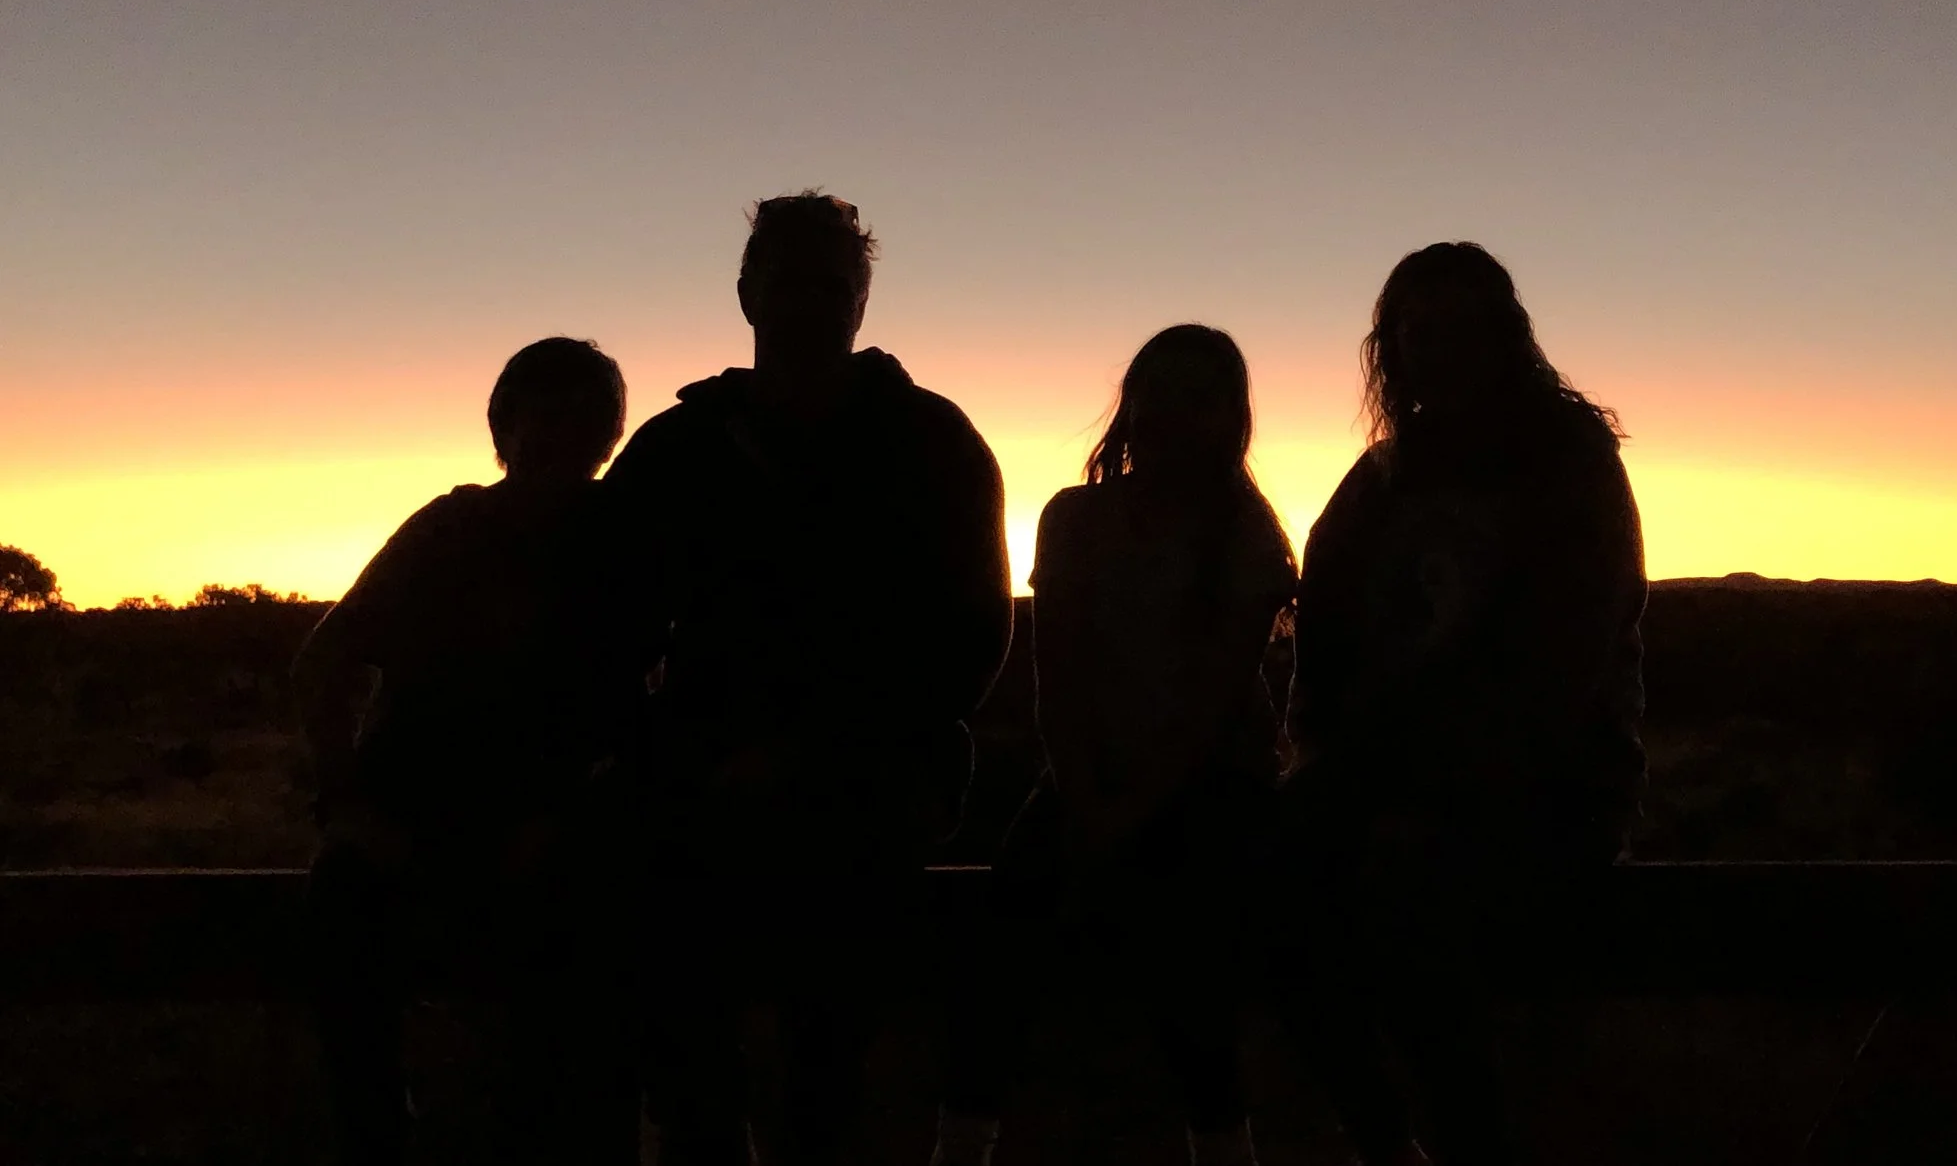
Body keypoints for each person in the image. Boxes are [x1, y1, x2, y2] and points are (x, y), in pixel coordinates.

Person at [606, 191, 1013, 1165]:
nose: (810, 303)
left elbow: (969, 644)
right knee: (650, 958)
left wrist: (808, 753)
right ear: (746, 293)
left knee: (824, 1033)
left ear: (862, 303)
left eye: (833, 285)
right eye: (788, 280)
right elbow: (599, 618)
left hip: (875, 777)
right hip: (701, 774)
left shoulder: (932, 441)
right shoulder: (678, 448)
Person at [1278, 243, 1647, 1166]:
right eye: (1416, 332)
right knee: (1255, 874)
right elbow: (1320, 635)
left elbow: (1565, 655)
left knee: (1406, 894)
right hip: (1383, 776)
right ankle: (1387, 1139)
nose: (1436, 350)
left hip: (1550, 782)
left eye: (1458, 329)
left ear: (1504, 338)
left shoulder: (1569, 461)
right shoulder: (1382, 476)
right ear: (1391, 348)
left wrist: (1412, 779)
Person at [936, 325, 1299, 1166]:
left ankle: (1221, 1140)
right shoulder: (1074, 518)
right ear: (1130, 406)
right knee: (999, 932)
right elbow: (1054, 676)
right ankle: (961, 1140)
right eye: (1158, 392)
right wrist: (1087, 799)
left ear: (1230, 418)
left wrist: (1125, 814)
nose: (1173, 414)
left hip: (1214, 782)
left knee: (1190, 939)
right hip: (1086, 774)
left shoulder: (1244, 538)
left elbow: (1213, 708)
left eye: (1197, 396)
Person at [295, 335, 653, 1166]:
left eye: (590, 419)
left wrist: (567, 821)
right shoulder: (448, 530)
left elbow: (634, 716)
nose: (569, 437)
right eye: (549, 414)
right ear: (505, 424)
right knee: (344, 919)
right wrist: (346, 805)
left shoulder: (621, 545)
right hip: (414, 828)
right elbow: (325, 661)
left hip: (554, 839)